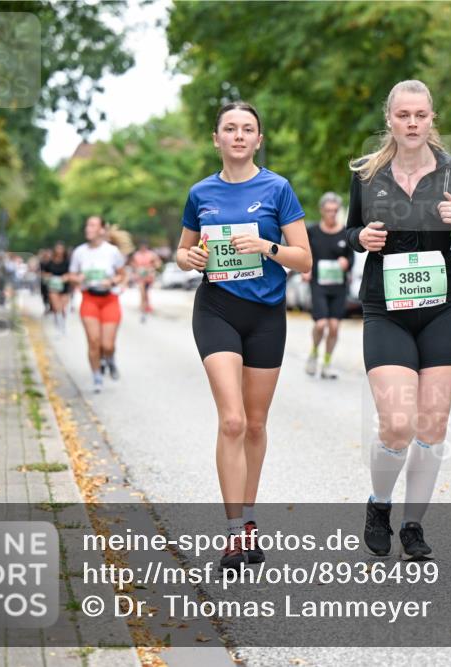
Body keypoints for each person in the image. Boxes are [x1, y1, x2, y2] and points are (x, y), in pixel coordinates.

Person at [348, 80, 451, 560]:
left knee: (432, 425)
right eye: (403, 115)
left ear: (431, 119)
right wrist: (361, 238)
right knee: (398, 423)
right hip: (386, 308)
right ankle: (379, 504)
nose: (412, 123)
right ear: (390, 119)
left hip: (441, 307)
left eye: (420, 115)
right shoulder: (367, 173)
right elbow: (350, 231)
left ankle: (413, 525)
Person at [175, 101, 311, 570]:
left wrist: (267, 246)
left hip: (266, 315)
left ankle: (249, 519)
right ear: (216, 139)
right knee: (231, 421)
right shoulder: (201, 193)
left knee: (254, 424)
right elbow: (182, 252)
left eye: (247, 129)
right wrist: (189, 259)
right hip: (216, 309)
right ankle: (234, 533)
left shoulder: (278, 188)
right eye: (229, 128)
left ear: (258, 140)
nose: (238, 135)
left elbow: (304, 258)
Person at [67, 216, 127, 393]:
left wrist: (112, 281)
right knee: (94, 341)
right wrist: (78, 278)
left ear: (101, 230)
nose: (88, 228)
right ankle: (97, 377)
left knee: (107, 345)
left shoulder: (112, 251)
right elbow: (71, 275)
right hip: (89, 299)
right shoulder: (79, 252)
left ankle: (109, 358)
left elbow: (122, 275)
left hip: (109, 300)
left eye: (92, 225)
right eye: (87, 225)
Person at [304, 192, 354, 379]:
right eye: (328, 210)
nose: (332, 214)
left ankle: (326, 363)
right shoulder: (313, 231)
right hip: (318, 283)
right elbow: (305, 253)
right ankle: (314, 353)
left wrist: (346, 263)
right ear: (322, 211)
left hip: (338, 286)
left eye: (335, 210)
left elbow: (351, 258)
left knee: (333, 327)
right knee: (320, 324)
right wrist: (306, 270)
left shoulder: (345, 232)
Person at [41, 242, 71, 334]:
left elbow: (72, 273)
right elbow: (43, 273)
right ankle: (58, 326)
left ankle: (63, 325)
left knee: (63, 307)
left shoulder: (68, 262)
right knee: (57, 307)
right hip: (53, 287)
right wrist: (48, 276)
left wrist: (66, 277)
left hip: (64, 287)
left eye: (61, 249)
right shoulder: (49, 263)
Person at [130, 241, 162, 321]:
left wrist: (152, 267)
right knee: (142, 291)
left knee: (146, 292)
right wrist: (136, 269)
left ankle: (146, 305)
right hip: (140, 276)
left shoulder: (151, 254)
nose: (143, 248)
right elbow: (133, 264)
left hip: (149, 276)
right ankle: (143, 308)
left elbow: (158, 263)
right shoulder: (136, 255)